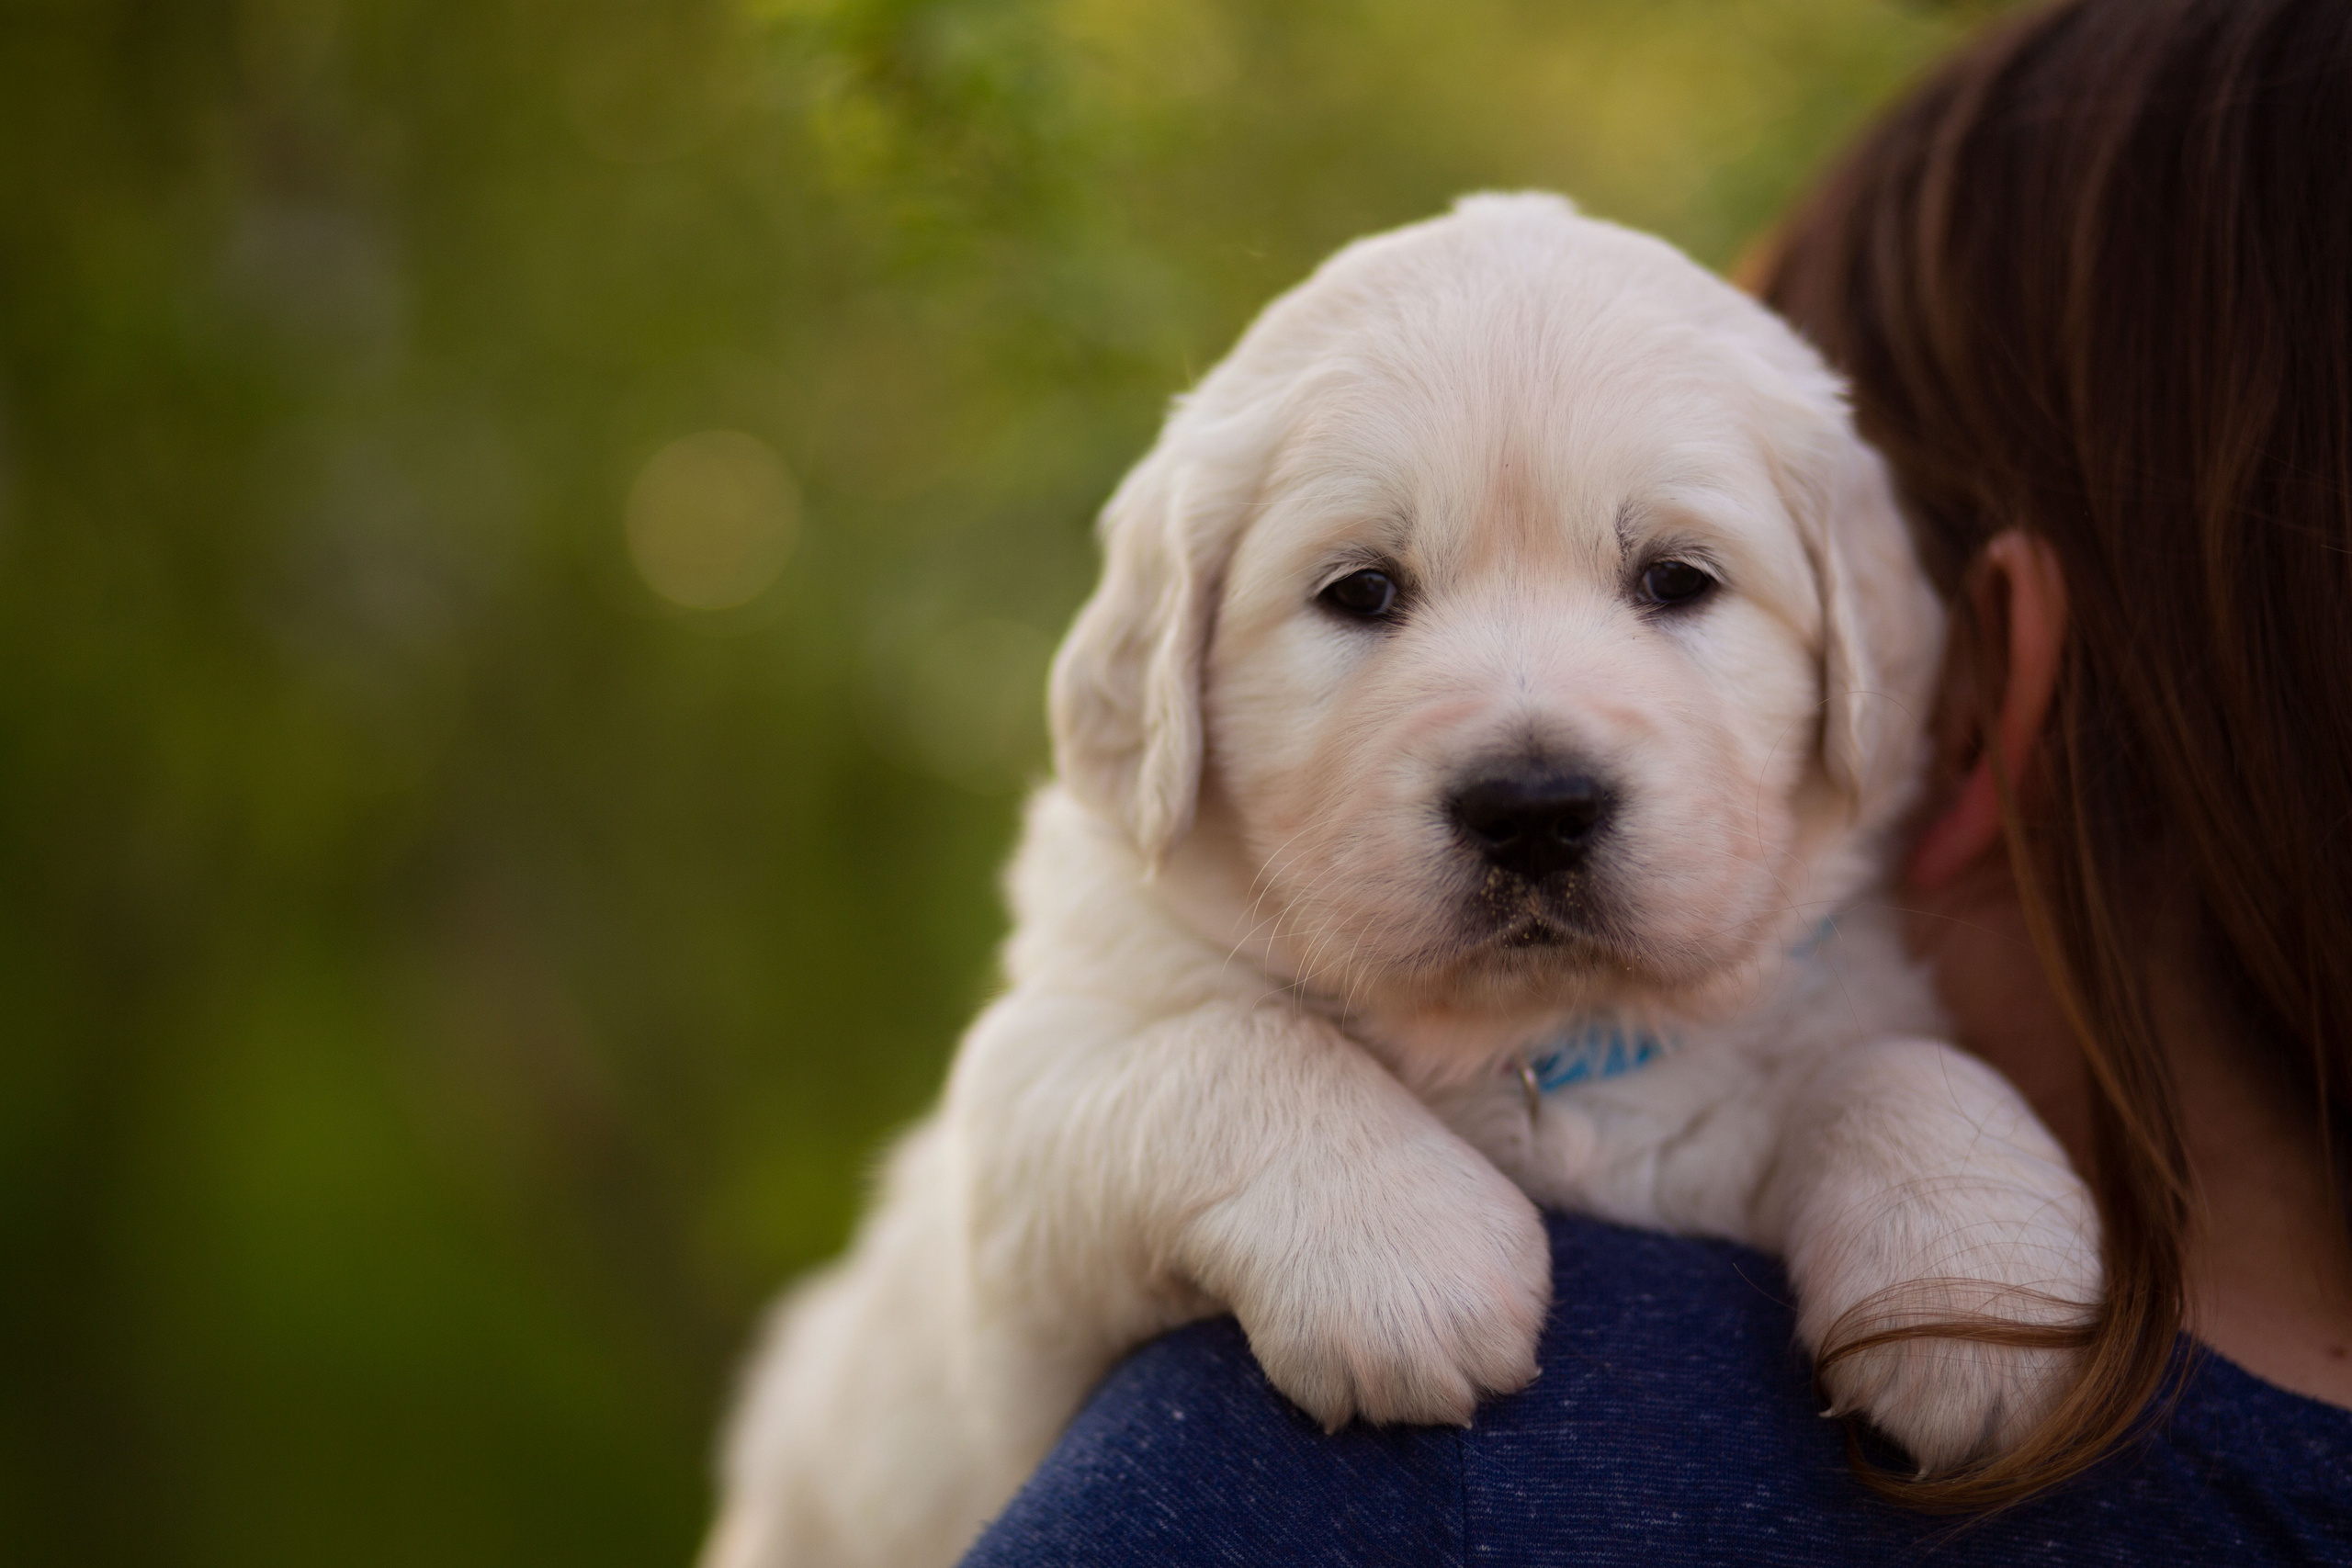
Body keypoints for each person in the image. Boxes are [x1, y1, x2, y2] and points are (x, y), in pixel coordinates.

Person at [957, 0, 2352, 1560]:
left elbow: (1830, 1082)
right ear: (1169, 678)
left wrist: (1907, 1124)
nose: (1532, 759)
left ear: (1890, 669)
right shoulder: (1144, 967)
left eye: (1675, 578)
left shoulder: (1841, 988)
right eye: (1361, 593)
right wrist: (1246, 1124)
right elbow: (1023, 1159)